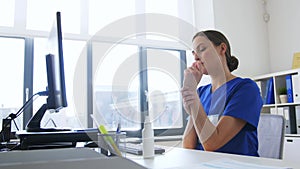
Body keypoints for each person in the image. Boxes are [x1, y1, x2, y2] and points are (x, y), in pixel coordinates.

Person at [181, 30, 263, 156]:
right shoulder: (201, 92)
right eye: (194, 53)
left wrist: (193, 97)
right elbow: (187, 145)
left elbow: (212, 144)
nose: (196, 57)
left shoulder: (245, 88)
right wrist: (192, 101)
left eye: (201, 49)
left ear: (222, 48)